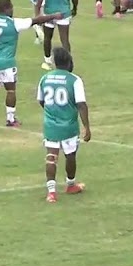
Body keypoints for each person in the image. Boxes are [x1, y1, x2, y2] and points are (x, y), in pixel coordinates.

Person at [0, 0, 63, 130]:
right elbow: (36, 20)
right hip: (7, 62)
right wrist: (54, 16)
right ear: (6, 9)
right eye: (11, 7)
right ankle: (10, 119)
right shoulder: (13, 23)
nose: (13, 10)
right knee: (11, 90)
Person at [37, 46, 90, 203]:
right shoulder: (74, 80)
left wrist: (52, 112)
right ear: (68, 62)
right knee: (70, 155)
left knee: (51, 156)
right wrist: (87, 127)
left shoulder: (45, 78)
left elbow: (41, 100)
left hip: (51, 125)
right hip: (69, 126)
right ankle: (70, 185)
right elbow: (81, 105)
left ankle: (51, 193)